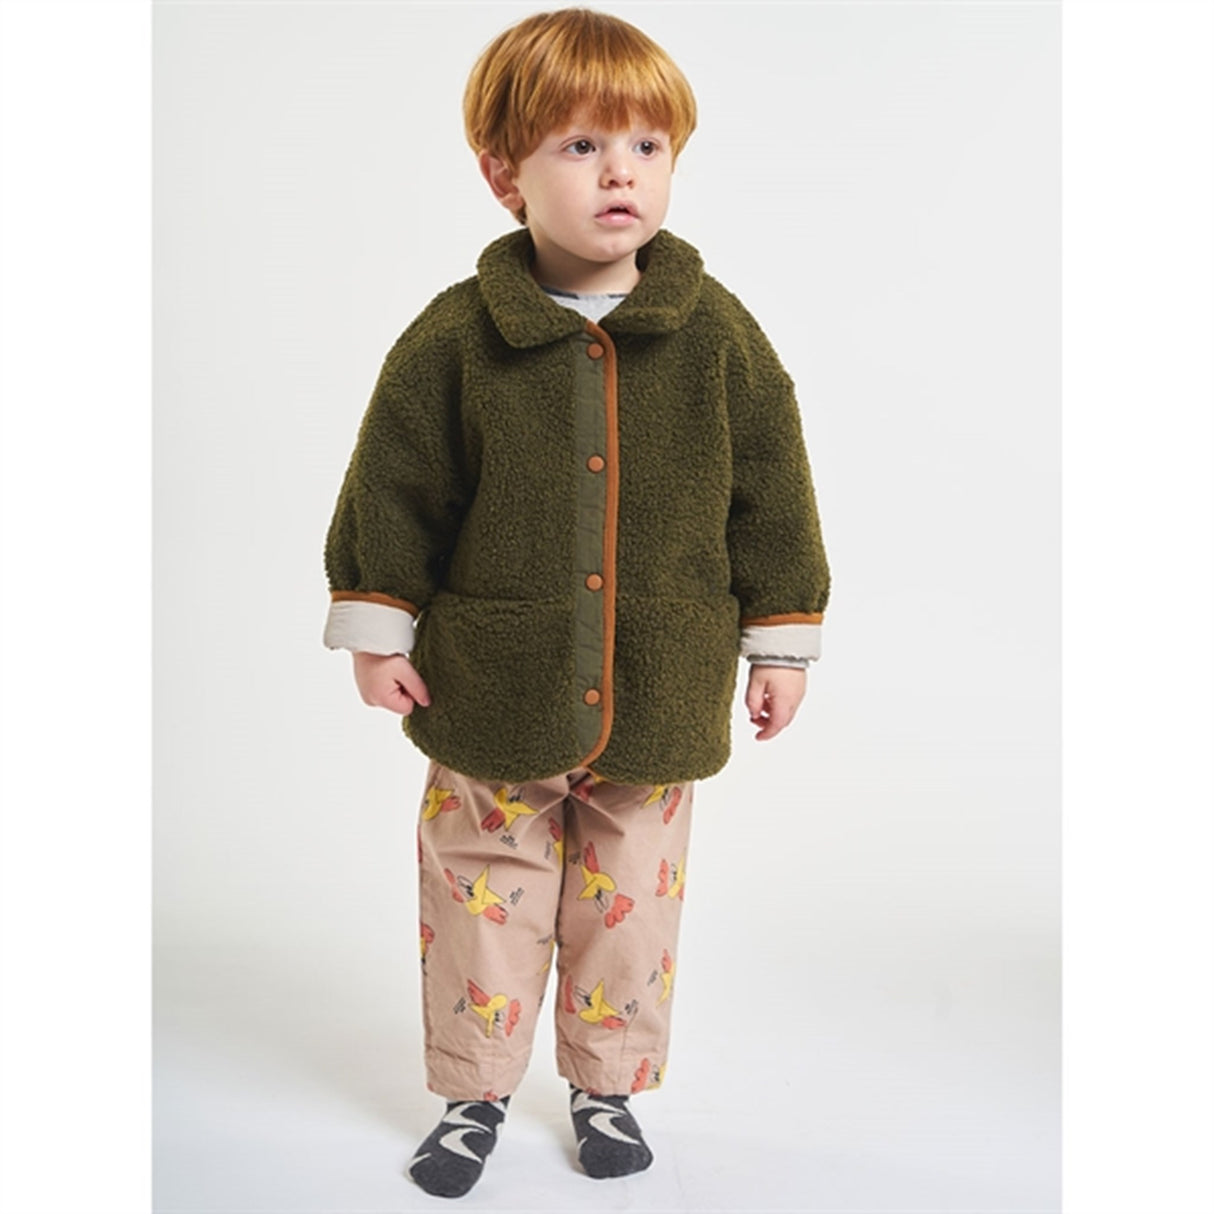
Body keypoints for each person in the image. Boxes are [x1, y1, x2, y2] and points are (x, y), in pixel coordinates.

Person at [322, 6, 831, 1198]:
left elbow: (772, 488)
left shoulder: (714, 335)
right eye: (582, 146)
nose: (620, 173)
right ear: (502, 173)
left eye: (646, 146)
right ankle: (471, 1093)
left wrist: (780, 640)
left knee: (629, 902)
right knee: (480, 893)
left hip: (658, 685)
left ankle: (607, 1085)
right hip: (491, 685)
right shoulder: (457, 337)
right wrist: (376, 627)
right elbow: (394, 485)